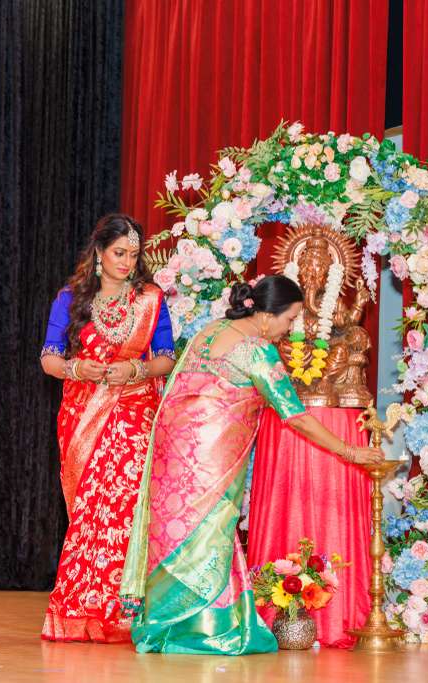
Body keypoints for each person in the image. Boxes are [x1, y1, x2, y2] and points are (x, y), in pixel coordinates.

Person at [122, 275, 383, 655]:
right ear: (268, 314)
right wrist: (350, 451)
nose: (289, 328)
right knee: (209, 530)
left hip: (172, 447)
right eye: (289, 319)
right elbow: (295, 416)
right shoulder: (257, 351)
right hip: (211, 457)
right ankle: (203, 630)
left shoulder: (211, 331)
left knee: (175, 530)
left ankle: (163, 625)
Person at [40, 213, 175, 643]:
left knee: (127, 508)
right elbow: (49, 358)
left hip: (134, 412)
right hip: (83, 414)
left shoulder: (150, 299)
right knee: (88, 511)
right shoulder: (71, 298)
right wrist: (76, 368)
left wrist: (136, 369)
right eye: (119, 252)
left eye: (134, 254)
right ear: (99, 251)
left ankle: (126, 613)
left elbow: (167, 357)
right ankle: (81, 609)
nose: (127, 262)